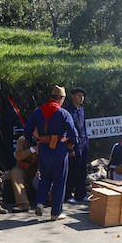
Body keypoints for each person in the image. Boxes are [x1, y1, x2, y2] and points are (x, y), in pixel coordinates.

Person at [25, 86, 79, 220]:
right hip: (59, 150)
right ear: (61, 99)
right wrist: (68, 146)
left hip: (44, 150)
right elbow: (74, 136)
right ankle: (56, 213)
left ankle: (40, 202)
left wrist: (35, 144)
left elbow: (27, 132)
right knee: (59, 181)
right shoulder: (64, 113)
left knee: (45, 178)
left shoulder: (38, 112)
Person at [64, 87, 89, 204]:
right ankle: (68, 194)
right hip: (73, 144)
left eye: (82, 96)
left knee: (83, 170)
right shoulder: (67, 110)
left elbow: (83, 127)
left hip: (83, 143)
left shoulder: (81, 110)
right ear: (73, 96)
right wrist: (70, 147)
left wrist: (87, 143)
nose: (81, 98)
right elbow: (66, 130)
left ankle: (81, 194)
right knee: (72, 170)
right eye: (79, 95)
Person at [8, 134, 39, 210]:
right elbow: (18, 156)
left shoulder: (46, 138)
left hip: (39, 168)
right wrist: (32, 149)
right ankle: (23, 204)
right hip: (23, 167)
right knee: (15, 172)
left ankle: (46, 200)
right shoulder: (22, 139)